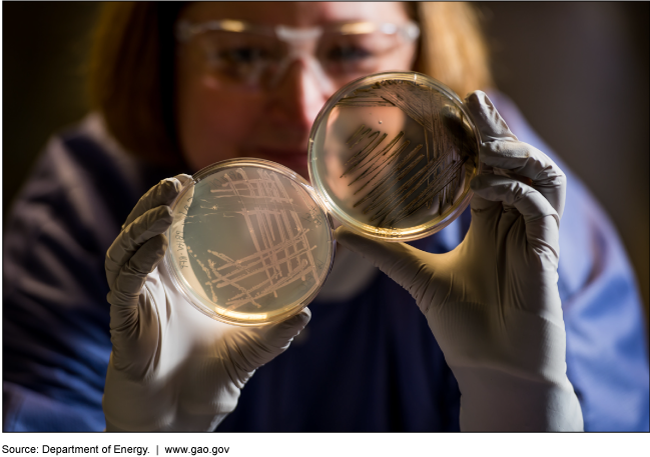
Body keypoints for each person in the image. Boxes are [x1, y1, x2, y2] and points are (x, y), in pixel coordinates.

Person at [3, 2, 648, 432]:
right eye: (244, 55)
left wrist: (523, 415)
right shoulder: (86, 213)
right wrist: (153, 443)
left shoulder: (517, 224)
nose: (304, 106)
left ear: (421, 62)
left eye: (350, 51)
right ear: (161, 66)